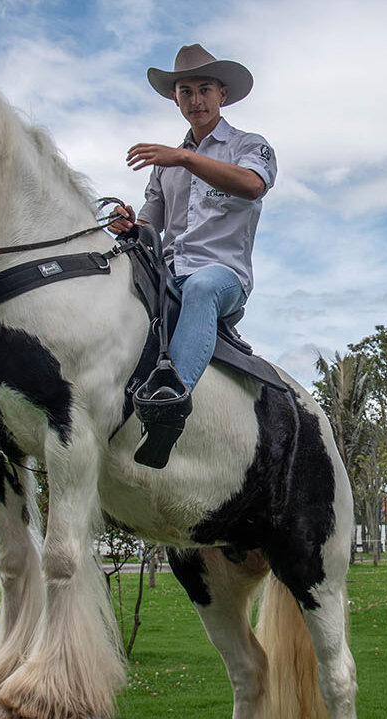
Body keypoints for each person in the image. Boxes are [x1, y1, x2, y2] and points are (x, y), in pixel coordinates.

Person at [108, 44, 276, 468]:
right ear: (174, 98)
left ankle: (168, 407)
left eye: (204, 90)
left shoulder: (249, 146)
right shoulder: (164, 166)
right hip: (167, 274)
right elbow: (151, 224)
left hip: (222, 277)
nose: (196, 100)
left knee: (201, 286)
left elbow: (252, 186)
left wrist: (184, 156)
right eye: (186, 91)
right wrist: (131, 223)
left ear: (222, 93)